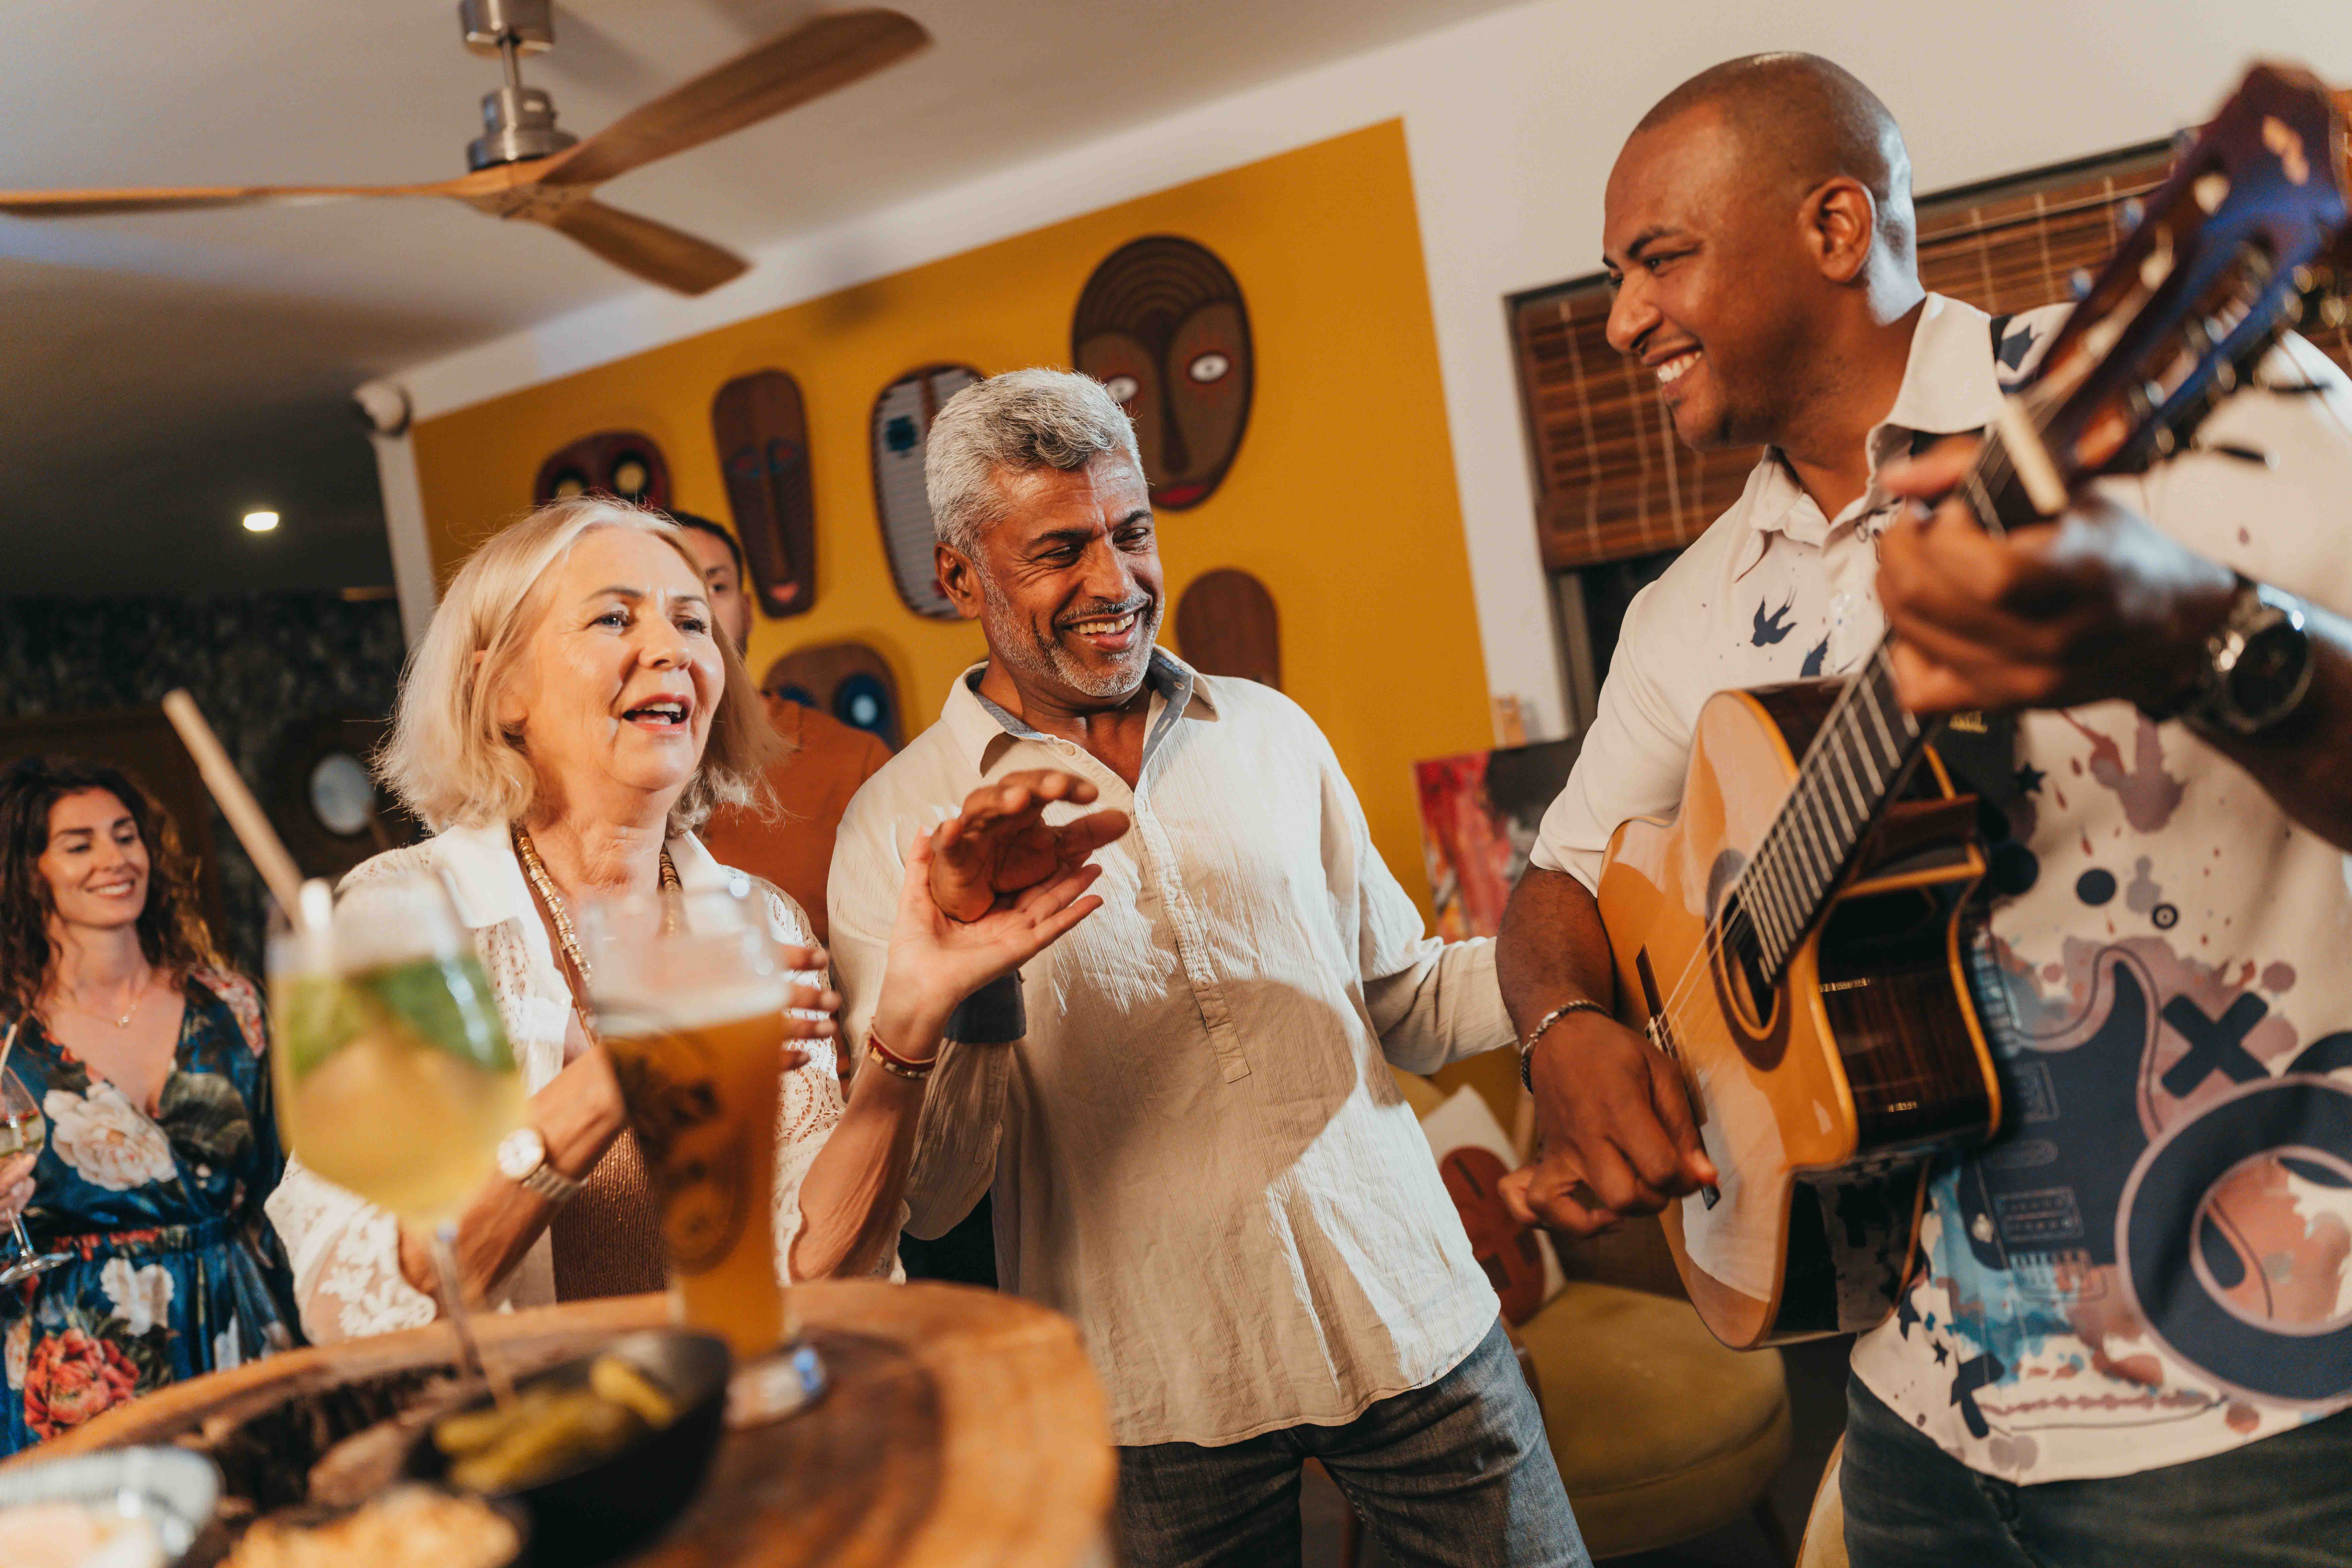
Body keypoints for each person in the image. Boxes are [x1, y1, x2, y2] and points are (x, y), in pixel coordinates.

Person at [1495, 53, 2352, 1565]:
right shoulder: (1688, 609)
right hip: (1908, 1414)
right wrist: (1569, 1032)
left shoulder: (2174, 403)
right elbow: (1559, 881)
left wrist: (2202, 641)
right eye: (1615, 274)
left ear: (1837, 226)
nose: (1623, 315)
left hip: (2258, 1403)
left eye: (1659, 258)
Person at [828, 368, 1586, 1568]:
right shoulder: (892, 832)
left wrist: (1581, 957)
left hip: (1415, 1313)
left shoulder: (1272, 733)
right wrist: (977, 964)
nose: (1114, 584)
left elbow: (1403, 998)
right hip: (1155, 1391)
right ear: (958, 576)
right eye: (1058, 550)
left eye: (1130, 534)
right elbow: (934, 1190)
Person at [266, 496, 1108, 1342]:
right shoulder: (404, 913)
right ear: (503, 688)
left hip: (747, 1433)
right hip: (537, 1454)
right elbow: (356, 1301)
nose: (671, 648)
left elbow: (817, 1268)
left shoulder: (754, 915)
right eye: (613, 616)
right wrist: (621, 1071)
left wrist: (910, 1022)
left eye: (693, 621)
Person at [0, 757, 300, 1453]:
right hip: (82, 1367)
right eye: (80, 845)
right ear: (29, 871)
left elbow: (290, 1187)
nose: (114, 859)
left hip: (242, 1332)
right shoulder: (10, 1046)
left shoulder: (234, 1007)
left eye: (125, 835)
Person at [672, 509, 894, 946]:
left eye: (715, 587)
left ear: (748, 611)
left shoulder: (853, 763)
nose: (697, 611)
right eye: (673, 592)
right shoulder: (597, 773)